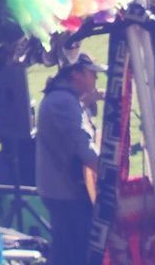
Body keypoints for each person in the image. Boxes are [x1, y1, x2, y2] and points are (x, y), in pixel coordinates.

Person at [36, 52, 104, 265]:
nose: (96, 79)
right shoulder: (62, 102)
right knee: (74, 252)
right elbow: (82, 146)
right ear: (76, 74)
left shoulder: (64, 99)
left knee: (67, 250)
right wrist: (108, 170)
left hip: (63, 189)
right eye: (92, 74)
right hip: (65, 192)